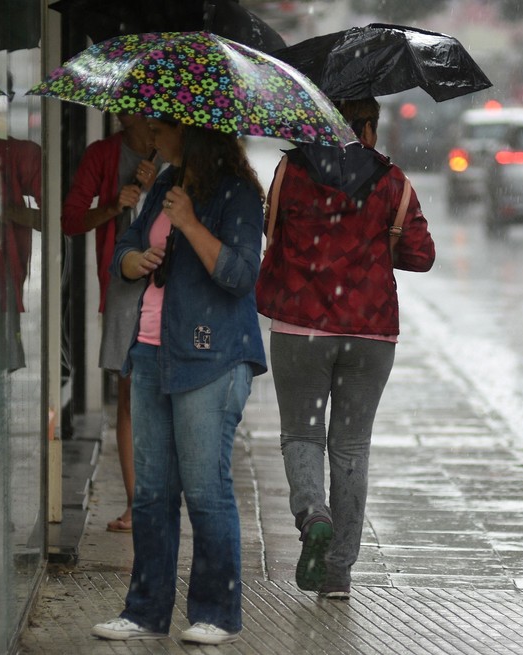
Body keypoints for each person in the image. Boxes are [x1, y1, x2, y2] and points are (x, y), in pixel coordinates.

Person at [91, 116, 266, 645]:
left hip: (213, 356)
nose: (152, 137)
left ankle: (217, 613)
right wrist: (134, 261)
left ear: (190, 132)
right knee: (152, 493)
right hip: (151, 350)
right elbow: (126, 246)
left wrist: (189, 223)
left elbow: (240, 275)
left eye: (161, 129)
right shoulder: (166, 182)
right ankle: (145, 611)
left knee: (206, 489)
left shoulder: (237, 194)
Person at [255, 97, 436, 600]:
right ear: (367, 128)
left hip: (300, 326)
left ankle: (314, 514)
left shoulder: (292, 170)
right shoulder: (392, 180)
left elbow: (271, 230)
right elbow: (421, 255)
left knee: (301, 435)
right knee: (351, 447)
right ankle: (337, 574)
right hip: (369, 332)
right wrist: (374, 243)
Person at [61, 113, 158, 533]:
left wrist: (157, 188)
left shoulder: (179, 154)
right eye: (130, 107)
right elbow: (70, 219)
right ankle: (137, 505)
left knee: (169, 394)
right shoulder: (102, 155)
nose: (138, 115)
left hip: (172, 288)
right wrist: (113, 206)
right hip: (122, 289)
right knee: (129, 394)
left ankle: (163, 498)